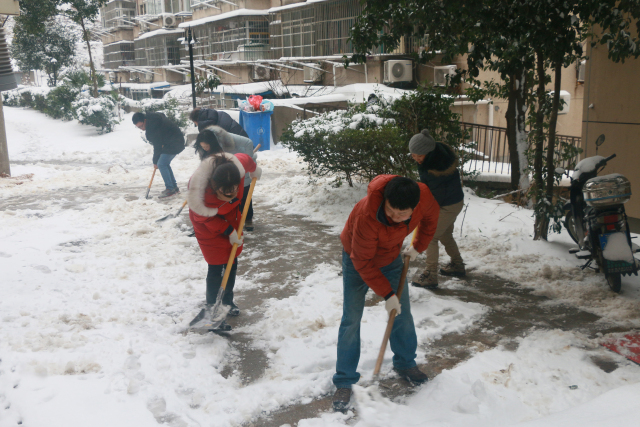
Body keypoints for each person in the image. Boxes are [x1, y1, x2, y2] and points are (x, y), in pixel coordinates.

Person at [332, 175, 440, 411]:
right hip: (356, 260)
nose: (394, 218)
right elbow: (363, 262)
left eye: (402, 215)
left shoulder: (423, 198)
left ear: (414, 207)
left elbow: (431, 218)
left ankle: (405, 363)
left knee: (403, 313)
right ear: (385, 201)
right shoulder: (366, 216)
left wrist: (418, 246)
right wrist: (388, 295)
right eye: (390, 211)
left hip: (391, 259)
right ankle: (344, 379)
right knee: (351, 318)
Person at [187, 142, 261, 329]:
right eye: (224, 193)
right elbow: (203, 218)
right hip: (207, 225)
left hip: (231, 217)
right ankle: (213, 307)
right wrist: (228, 231)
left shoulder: (235, 166)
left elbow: (247, 160)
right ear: (214, 186)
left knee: (232, 261)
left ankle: (227, 302)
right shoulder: (199, 195)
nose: (230, 195)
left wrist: (255, 170)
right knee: (217, 266)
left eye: (234, 191)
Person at [408, 129, 466, 289]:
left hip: (447, 205)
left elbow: (435, 196)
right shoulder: (436, 155)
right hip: (454, 201)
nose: (416, 159)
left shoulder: (436, 169)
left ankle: (431, 274)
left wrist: (424, 213)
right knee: (445, 234)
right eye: (413, 155)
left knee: (431, 236)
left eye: (419, 156)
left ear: (429, 153)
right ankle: (457, 265)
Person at [201, 125, 258, 231]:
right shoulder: (205, 148)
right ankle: (231, 221)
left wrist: (248, 161)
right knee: (228, 197)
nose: (205, 149)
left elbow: (248, 142)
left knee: (244, 194)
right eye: (203, 147)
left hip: (241, 167)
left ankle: (248, 219)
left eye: (206, 146)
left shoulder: (226, 137)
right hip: (225, 173)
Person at [132, 111, 185, 198]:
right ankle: (173, 187)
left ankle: (170, 188)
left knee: (161, 164)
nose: (141, 129)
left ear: (145, 120)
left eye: (141, 126)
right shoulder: (154, 120)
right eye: (138, 127)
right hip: (174, 141)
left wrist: (155, 161)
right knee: (164, 163)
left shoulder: (153, 126)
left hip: (174, 143)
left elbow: (157, 146)